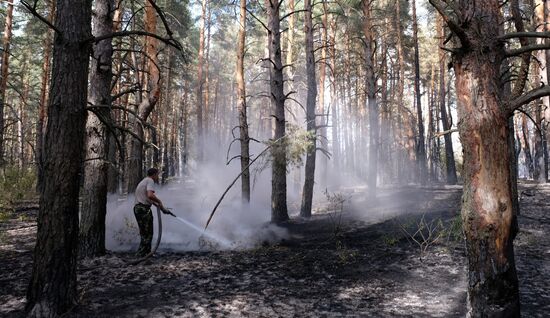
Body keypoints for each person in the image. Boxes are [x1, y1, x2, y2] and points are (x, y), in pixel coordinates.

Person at [133, 168, 170, 257]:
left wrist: (162, 208)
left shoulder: (144, 181)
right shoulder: (150, 181)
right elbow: (150, 195)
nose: (158, 177)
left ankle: (147, 254)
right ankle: (140, 256)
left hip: (138, 208)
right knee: (147, 234)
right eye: (157, 175)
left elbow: (148, 198)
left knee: (145, 233)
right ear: (154, 174)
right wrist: (160, 201)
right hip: (143, 209)